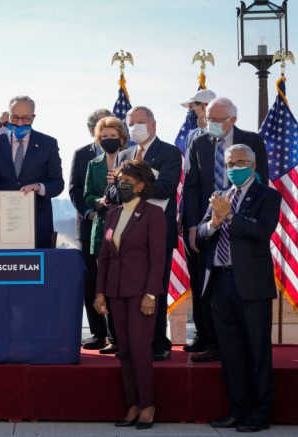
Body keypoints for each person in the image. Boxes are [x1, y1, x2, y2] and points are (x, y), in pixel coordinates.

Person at [197, 144, 280, 432]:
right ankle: (238, 409)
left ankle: (260, 414)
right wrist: (215, 221)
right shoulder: (219, 197)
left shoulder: (267, 196)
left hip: (252, 286)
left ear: (253, 166)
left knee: (257, 352)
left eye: (241, 162)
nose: (235, 167)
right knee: (231, 353)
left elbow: (261, 231)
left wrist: (230, 216)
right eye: (231, 163)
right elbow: (201, 233)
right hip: (221, 283)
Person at [182, 97, 269, 362]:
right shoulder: (199, 142)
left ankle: (239, 344)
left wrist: (237, 217)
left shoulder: (252, 141)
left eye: (218, 120)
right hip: (208, 223)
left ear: (232, 120)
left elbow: (261, 181)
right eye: (209, 119)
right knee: (206, 284)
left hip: (240, 222)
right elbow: (192, 187)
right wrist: (193, 226)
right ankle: (210, 342)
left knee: (237, 283)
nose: (212, 124)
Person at [95, 160, 166, 430]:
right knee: (124, 350)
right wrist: (99, 293)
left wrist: (151, 294)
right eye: (119, 179)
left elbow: (157, 259)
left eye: (127, 180)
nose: (121, 184)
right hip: (115, 292)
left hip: (141, 294)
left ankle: (148, 405)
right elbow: (104, 257)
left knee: (139, 349)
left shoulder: (153, 214)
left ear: (141, 185)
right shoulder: (112, 214)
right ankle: (132, 405)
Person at [107, 106, 182, 361]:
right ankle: (128, 343)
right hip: (125, 235)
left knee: (154, 288)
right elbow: (114, 194)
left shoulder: (170, 152)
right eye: (131, 123)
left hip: (157, 232)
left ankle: (158, 343)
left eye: (141, 122)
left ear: (153, 125)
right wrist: (130, 188)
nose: (135, 127)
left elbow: (166, 188)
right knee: (127, 290)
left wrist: (133, 187)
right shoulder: (124, 154)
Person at [0, 95, 64, 248]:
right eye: (15, 118)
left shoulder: (48, 144)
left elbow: (58, 183)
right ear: (9, 116)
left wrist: (39, 187)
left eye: (25, 118)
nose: (20, 123)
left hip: (37, 226)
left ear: (33, 117)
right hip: (2, 225)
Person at [68, 108, 111, 351]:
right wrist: (90, 213)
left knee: (115, 280)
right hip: (88, 227)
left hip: (119, 228)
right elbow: (74, 190)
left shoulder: (126, 154)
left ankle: (116, 333)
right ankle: (97, 333)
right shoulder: (82, 154)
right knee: (91, 282)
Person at [82, 115, 126, 354]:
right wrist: (98, 202)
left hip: (128, 227)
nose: (109, 140)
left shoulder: (130, 160)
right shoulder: (93, 164)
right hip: (101, 228)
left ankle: (127, 336)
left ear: (121, 137)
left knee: (123, 285)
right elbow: (87, 194)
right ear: (98, 139)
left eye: (113, 136)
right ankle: (111, 337)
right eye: (105, 136)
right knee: (104, 285)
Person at [177, 89, 216, 356]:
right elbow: (189, 184)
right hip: (197, 226)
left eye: (195, 106)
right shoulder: (193, 137)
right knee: (199, 283)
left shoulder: (235, 139)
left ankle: (220, 338)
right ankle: (203, 335)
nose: (192, 111)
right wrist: (188, 223)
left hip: (224, 222)